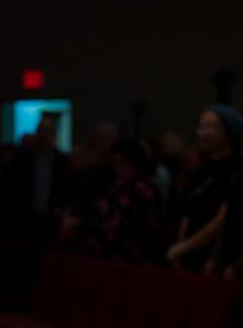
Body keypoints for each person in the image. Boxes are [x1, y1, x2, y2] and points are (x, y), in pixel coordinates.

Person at [166, 105, 243, 271]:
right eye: (201, 126)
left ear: (229, 131)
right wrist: (180, 247)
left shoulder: (237, 170)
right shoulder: (199, 171)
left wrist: (185, 247)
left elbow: (225, 218)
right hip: (187, 255)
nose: (203, 133)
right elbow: (188, 212)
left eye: (212, 127)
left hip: (215, 257)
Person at [61, 140, 163, 263]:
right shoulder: (117, 188)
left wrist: (79, 223)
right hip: (109, 253)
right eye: (115, 164)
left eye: (121, 163)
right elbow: (101, 208)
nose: (117, 168)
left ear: (132, 163)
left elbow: (117, 225)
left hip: (131, 257)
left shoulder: (144, 191)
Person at [0, 113, 69, 239]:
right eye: (40, 132)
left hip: (51, 219)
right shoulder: (21, 159)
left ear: (53, 135)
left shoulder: (62, 161)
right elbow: (8, 188)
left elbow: (64, 189)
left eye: (47, 132)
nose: (43, 136)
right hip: (25, 218)